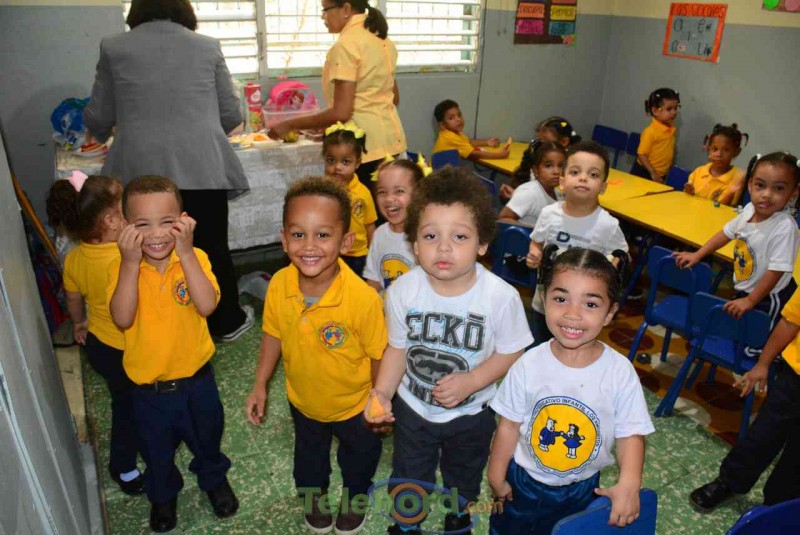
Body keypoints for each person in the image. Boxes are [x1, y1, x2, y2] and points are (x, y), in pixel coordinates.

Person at [365, 167, 534, 535]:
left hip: (471, 414)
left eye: (459, 236)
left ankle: (459, 518)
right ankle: (406, 524)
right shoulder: (402, 291)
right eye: (430, 236)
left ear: (482, 243)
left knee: (464, 474)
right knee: (409, 474)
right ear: (414, 243)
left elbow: (512, 352)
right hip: (414, 408)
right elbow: (397, 349)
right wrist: (382, 392)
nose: (443, 248)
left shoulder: (500, 297)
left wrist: (473, 380)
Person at [83, 0, 253, 343]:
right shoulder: (207, 46)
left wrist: (105, 130)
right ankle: (225, 322)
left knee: (142, 249)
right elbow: (231, 113)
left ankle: (154, 325)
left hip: (138, 170)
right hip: (201, 164)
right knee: (210, 246)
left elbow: (100, 115)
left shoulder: (114, 47)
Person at [245, 176, 387, 535]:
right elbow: (273, 334)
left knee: (359, 461)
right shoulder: (279, 284)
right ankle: (315, 501)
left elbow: (378, 355)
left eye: (323, 234)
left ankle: (354, 501)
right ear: (283, 239)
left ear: (346, 241)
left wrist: (379, 399)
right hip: (304, 402)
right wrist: (260, 383)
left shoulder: (363, 299)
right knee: (308, 465)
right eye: (298, 234)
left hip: (355, 405)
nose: (309, 246)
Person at [488, 248, 654, 535]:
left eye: (590, 304)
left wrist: (629, 483)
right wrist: (496, 473)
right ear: (544, 299)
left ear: (610, 312)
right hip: (523, 482)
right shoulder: (528, 363)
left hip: (583, 488)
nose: (572, 314)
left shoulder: (619, 372)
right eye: (561, 299)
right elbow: (509, 426)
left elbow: (631, 433)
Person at [108, 176, 238, 532]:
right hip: (149, 392)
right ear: (125, 226)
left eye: (166, 222)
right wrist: (130, 264)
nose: (156, 234)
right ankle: (163, 494)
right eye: (142, 225)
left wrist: (186, 253)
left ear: (183, 220)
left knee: (207, 440)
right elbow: (122, 317)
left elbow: (207, 305)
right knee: (155, 451)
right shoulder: (121, 267)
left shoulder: (195, 258)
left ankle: (213, 479)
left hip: (197, 383)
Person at [46, 174, 143, 495]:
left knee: (123, 401)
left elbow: (74, 299)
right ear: (111, 221)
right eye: (124, 204)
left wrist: (78, 324)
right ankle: (124, 467)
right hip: (129, 346)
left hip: (100, 345)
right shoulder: (128, 257)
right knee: (131, 408)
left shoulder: (74, 258)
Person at [268, 0, 407, 187]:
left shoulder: (346, 45)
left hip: (363, 148)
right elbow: (393, 98)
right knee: (383, 203)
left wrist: (289, 124)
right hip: (392, 140)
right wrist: (327, 123)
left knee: (359, 204)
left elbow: (341, 112)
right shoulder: (383, 40)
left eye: (325, 10)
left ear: (346, 9)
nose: (322, 17)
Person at [674, 152, 800, 352]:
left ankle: (761, 358)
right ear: (750, 185)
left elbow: (776, 271)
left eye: (779, 188)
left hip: (770, 296)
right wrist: (698, 254)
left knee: (756, 343)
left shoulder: (784, 227)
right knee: (739, 328)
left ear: (793, 193)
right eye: (760, 185)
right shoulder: (749, 210)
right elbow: (726, 233)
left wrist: (750, 300)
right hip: (748, 287)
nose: (767, 194)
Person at [689, 284, 800, 511]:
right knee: (765, 432)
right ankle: (729, 481)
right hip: (795, 376)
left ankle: (776, 507)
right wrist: (763, 363)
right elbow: (790, 322)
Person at [526, 141, 629, 345]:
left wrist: (610, 269)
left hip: (584, 310)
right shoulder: (549, 214)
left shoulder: (608, 225)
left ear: (603, 187)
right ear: (562, 182)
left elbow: (622, 255)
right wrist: (534, 255)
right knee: (541, 347)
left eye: (593, 174)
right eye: (575, 172)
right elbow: (536, 243)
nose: (583, 178)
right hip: (546, 302)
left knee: (577, 349)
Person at [322, 122, 378, 277]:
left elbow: (370, 226)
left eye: (345, 162)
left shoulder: (363, 192)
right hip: (332, 252)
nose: (337, 167)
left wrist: (374, 254)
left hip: (359, 254)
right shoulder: (322, 191)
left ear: (357, 163)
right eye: (331, 160)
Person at [364, 157, 426, 292]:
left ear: (418, 194)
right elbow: (374, 281)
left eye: (399, 191)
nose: (389, 199)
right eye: (382, 192)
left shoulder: (427, 237)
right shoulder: (379, 234)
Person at [499, 117, 579, 200]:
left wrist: (519, 197)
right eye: (539, 141)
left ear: (564, 142)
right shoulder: (538, 167)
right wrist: (518, 197)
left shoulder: (576, 170)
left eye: (546, 143)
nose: (540, 147)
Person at [498, 141, 566, 227]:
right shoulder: (529, 193)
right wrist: (535, 231)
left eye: (560, 166)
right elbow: (502, 219)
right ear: (536, 170)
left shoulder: (558, 194)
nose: (556, 171)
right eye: (548, 166)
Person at [684, 123, 748, 206]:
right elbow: (687, 200)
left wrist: (733, 190)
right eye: (715, 149)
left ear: (736, 152)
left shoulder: (737, 177)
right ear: (709, 149)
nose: (719, 154)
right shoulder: (699, 171)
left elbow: (724, 207)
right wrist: (689, 192)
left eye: (726, 150)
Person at [432, 99, 510, 161]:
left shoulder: (454, 133)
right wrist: (500, 155)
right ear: (442, 125)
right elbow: (473, 154)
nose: (458, 119)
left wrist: (487, 142)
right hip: (440, 175)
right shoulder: (449, 137)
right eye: (451, 118)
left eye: (459, 115)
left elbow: (469, 143)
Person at [631, 88, 680, 183]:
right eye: (669, 109)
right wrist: (653, 173)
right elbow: (642, 154)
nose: (674, 112)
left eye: (675, 108)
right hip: (645, 173)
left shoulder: (671, 128)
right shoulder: (651, 132)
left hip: (660, 174)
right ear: (655, 111)